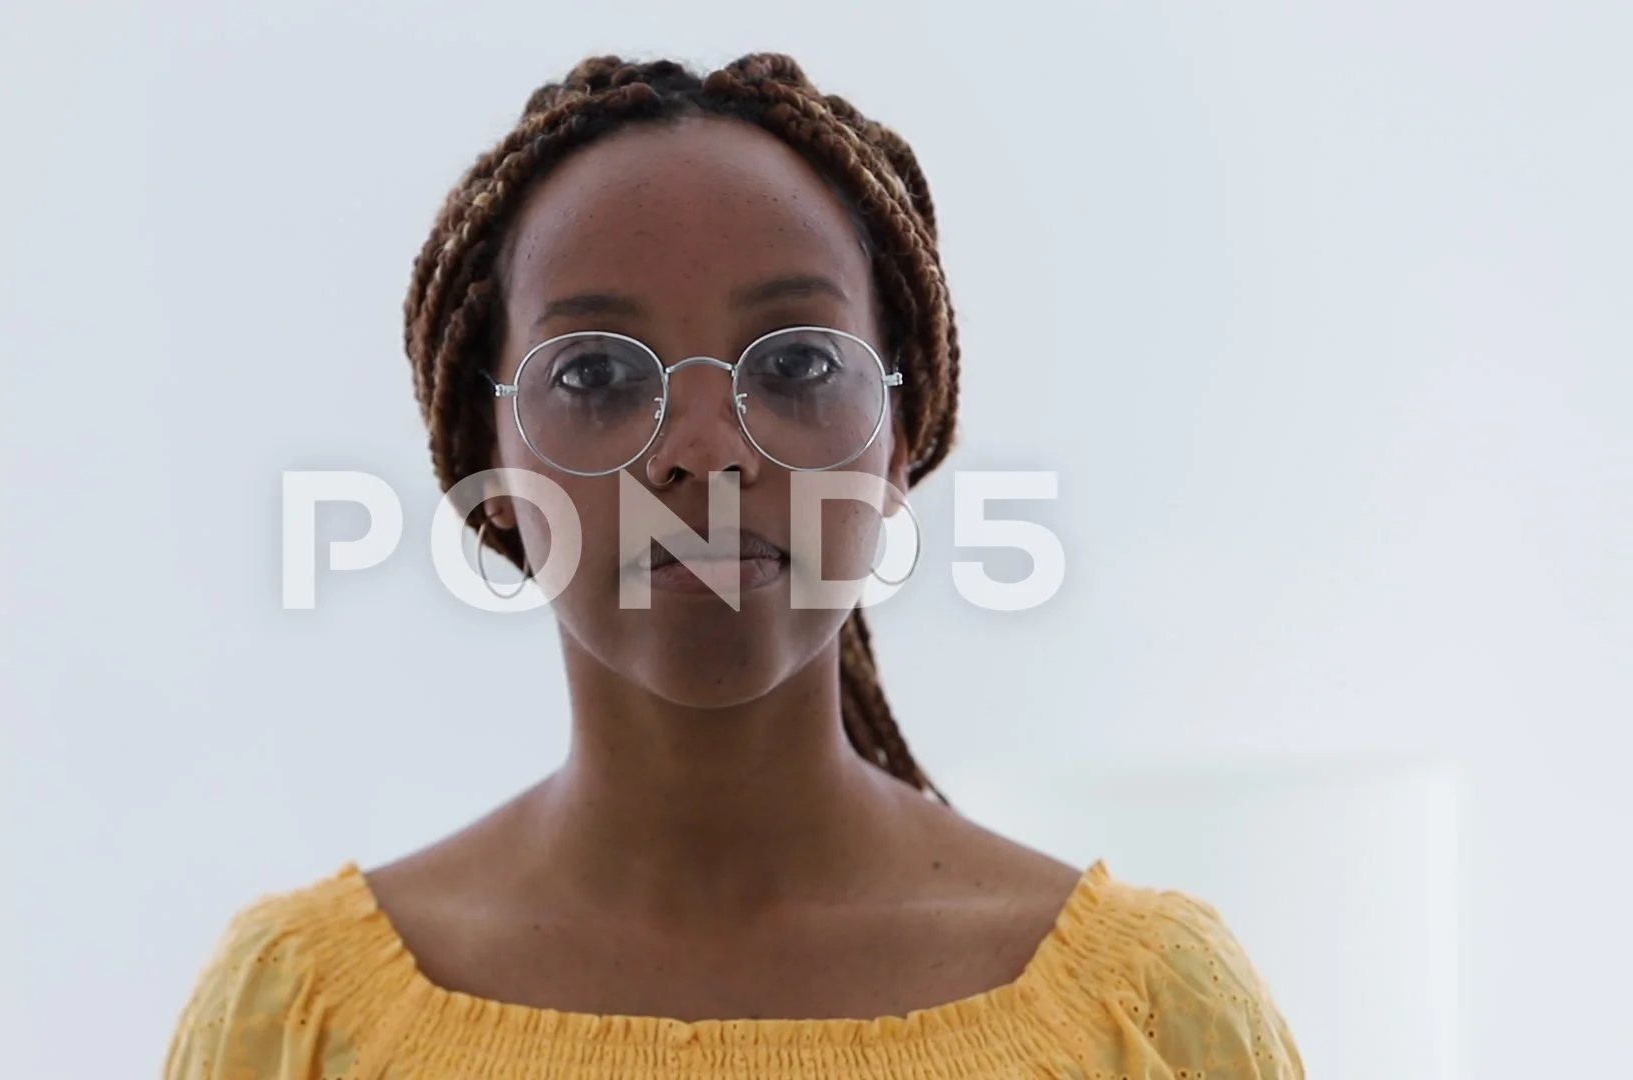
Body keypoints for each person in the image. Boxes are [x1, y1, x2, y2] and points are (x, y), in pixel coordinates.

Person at [162, 53, 1304, 1079]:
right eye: (596, 376)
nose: (704, 450)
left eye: (799, 362)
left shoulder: (1153, 1016)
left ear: (897, 440)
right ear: (490, 462)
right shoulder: (294, 1021)